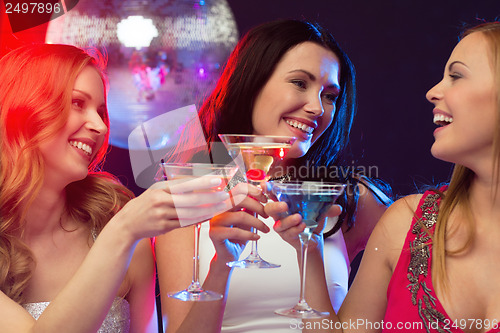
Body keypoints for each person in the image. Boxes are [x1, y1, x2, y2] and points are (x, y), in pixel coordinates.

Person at [156, 19, 392, 332]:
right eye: (299, 83)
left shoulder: (345, 199)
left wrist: (312, 248)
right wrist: (220, 267)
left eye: (330, 95)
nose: (317, 108)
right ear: (252, 82)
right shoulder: (188, 192)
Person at [265, 21, 500, 332]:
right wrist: (308, 249)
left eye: (456, 76)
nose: (433, 92)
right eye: (298, 82)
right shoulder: (405, 222)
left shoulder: (360, 200)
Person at [0, 44, 233, 332]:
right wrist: (122, 230)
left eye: (101, 110)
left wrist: (222, 264)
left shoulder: (116, 224)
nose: (99, 125)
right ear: (24, 110)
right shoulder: (123, 229)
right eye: (77, 103)